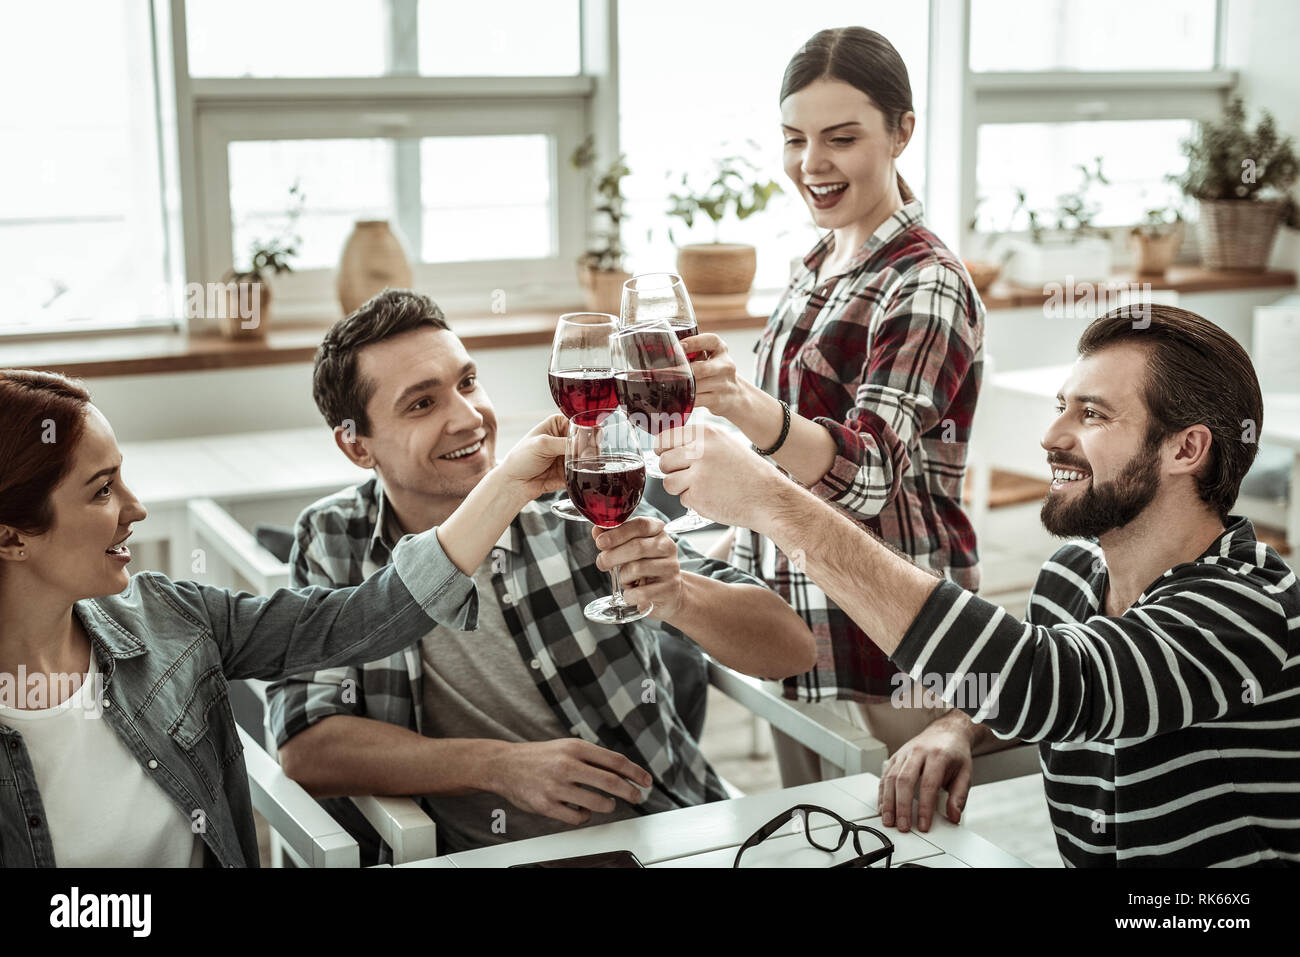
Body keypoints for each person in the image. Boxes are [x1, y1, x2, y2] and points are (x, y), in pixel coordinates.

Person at [660, 304, 1300, 866]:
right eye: (1062, 409)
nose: (1051, 438)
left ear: (1186, 449)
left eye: (1094, 415)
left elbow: (1047, 685)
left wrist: (776, 503)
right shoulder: (1072, 577)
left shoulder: (1246, 607)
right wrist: (961, 724)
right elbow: (1056, 691)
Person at [264, 290, 816, 859]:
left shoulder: (579, 496)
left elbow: (791, 651)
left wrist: (678, 596)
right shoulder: (335, 538)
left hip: (660, 836)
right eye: (422, 405)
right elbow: (307, 746)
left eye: (468, 382)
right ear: (357, 446)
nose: (468, 416)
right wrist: (496, 766)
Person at [0, 367, 575, 867]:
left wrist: (510, 483)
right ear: (10, 537)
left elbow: (368, 615)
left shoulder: (167, 620)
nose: (136, 508)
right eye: (102, 491)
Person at [680, 26, 992, 784]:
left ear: (901, 132)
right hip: (792, 602)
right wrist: (730, 401)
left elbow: (870, 471)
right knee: (818, 835)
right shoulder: (820, 260)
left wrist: (750, 411)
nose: (811, 164)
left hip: (884, 629)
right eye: (794, 139)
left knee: (891, 838)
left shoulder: (927, 282)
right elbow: (785, 442)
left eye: (840, 138)